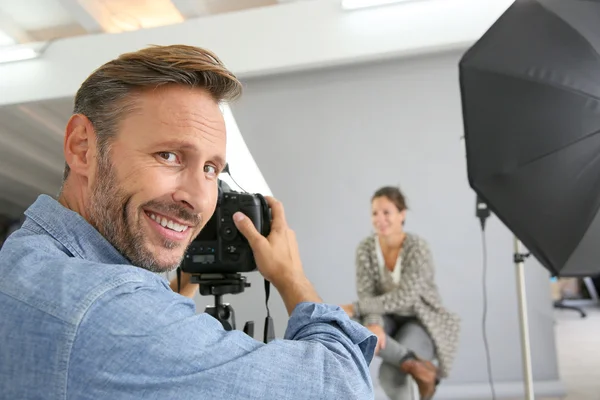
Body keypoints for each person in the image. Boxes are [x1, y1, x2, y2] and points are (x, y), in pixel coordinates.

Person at [0, 45, 377, 400]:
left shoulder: (21, 262)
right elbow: (342, 387)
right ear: (83, 147)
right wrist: (293, 279)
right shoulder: (109, 308)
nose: (198, 200)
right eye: (169, 155)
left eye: (211, 169)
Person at [341, 186, 460, 400]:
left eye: (386, 212)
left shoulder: (418, 248)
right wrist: (374, 323)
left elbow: (405, 297)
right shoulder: (366, 249)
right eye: (375, 213)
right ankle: (415, 364)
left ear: (402, 214)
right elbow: (366, 293)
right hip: (385, 319)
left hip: (420, 319)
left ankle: (407, 361)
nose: (380, 219)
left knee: (389, 374)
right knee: (351, 327)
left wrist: (356, 308)